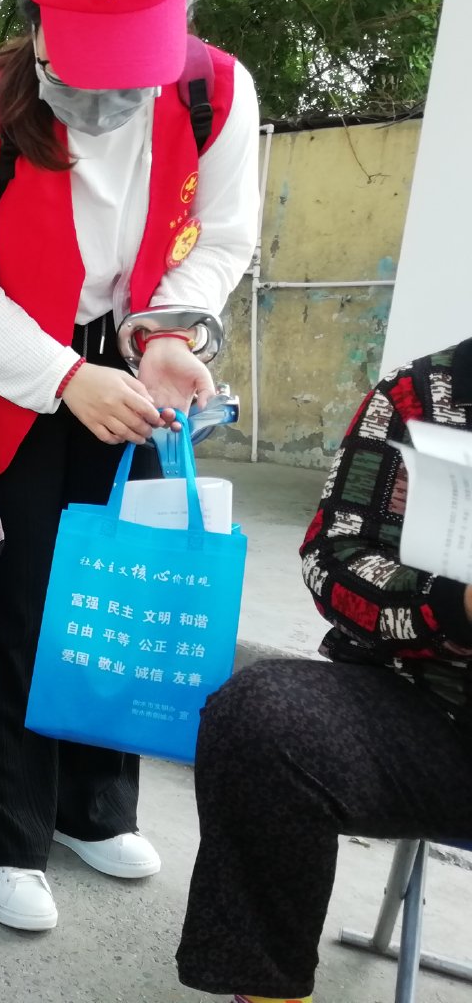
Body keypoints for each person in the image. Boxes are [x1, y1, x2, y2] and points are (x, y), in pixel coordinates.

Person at [0, 0, 261, 931]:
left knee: (121, 589)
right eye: (87, 57)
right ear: (38, 19)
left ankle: (94, 806)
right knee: (19, 597)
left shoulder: (217, 93)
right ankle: (2, 832)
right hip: (17, 365)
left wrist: (167, 332)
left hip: (139, 353)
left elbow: (224, 238)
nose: (109, 91)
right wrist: (65, 377)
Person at [176, 339, 472, 1003]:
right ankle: (269, 989)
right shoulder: (419, 397)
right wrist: (452, 605)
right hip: (432, 710)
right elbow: (334, 558)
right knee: (261, 718)